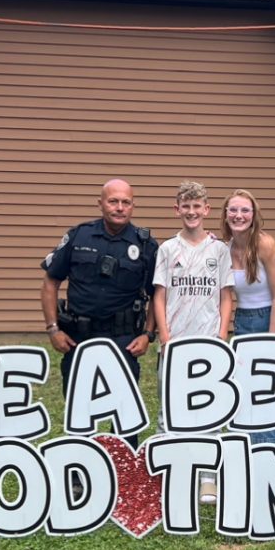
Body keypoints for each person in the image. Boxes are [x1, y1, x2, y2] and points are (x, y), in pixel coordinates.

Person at [41, 179, 159, 424]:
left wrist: (147, 334)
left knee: (125, 416)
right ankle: (81, 461)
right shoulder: (78, 236)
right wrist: (53, 329)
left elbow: (157, 293)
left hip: (124, 339)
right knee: (78, 412)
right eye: (113, 201)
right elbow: (50, 282)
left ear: (133, 206)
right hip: (78, 337)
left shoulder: (145, 244)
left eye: (125, 202)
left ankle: (124, 461)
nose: (119, 207)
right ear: (100, 204)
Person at [152, 181, 234, 502]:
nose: (191, 212)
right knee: (169, 409)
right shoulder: (168, 249)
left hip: (208, 341)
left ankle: (208, 478)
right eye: (185, 206)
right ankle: (168, 471)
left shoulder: (219, 250)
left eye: (197, 206)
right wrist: (165, 336)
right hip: (175, 342)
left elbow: (226, 296)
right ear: (177, 210)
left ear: (206, 210)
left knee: (209, 410)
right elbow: (159, 295)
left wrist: (222, 334)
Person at [221, 188, 275, 452]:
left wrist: (272, 342)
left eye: (245, 210)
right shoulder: (224, 249)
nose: (238, 215)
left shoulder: (265, 244)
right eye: (233, 210)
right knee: (248, 392)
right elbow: (228, 297)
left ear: (254, 216)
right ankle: (255, 454)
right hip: (245, 322)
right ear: (225, 214)